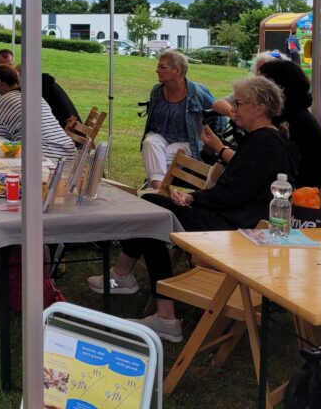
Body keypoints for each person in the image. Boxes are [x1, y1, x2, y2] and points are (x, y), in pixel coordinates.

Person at [88, 76, 298, 343]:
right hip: (241, 220)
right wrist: (201, 184)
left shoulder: (263, 143)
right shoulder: (269, 139)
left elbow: (231, 193)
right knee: (154, 208)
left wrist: (192, 198)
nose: (234, 110)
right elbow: (237, 186)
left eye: (239, 104)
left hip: (237, 229)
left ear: (259, 108)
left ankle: (161, 313)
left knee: (154, 213)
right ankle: (126, 278)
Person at [257, 59, 321, 207]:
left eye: (260, 85)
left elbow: (263, 168)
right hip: (303, 198)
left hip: (298, 204)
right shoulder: (298, 116)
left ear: (276, 88)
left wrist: (221, 149)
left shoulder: (291, 123)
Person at [139, 50, 217, 190]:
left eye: (162, 67)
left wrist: (210, 139)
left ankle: (155, 190)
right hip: (161, 136)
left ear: (178, 70)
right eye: (158, 66)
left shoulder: (197, 93)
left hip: (188, 142)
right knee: (149, 142)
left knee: (162, 158)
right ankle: (160, 191)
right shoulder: (157, 91)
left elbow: (217, 116)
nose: (157, 70)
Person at [0, 64, 76, 163]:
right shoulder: (35, 95)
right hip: (68, 154)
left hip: (43, 157)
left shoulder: (3, 100)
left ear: (0, 82)